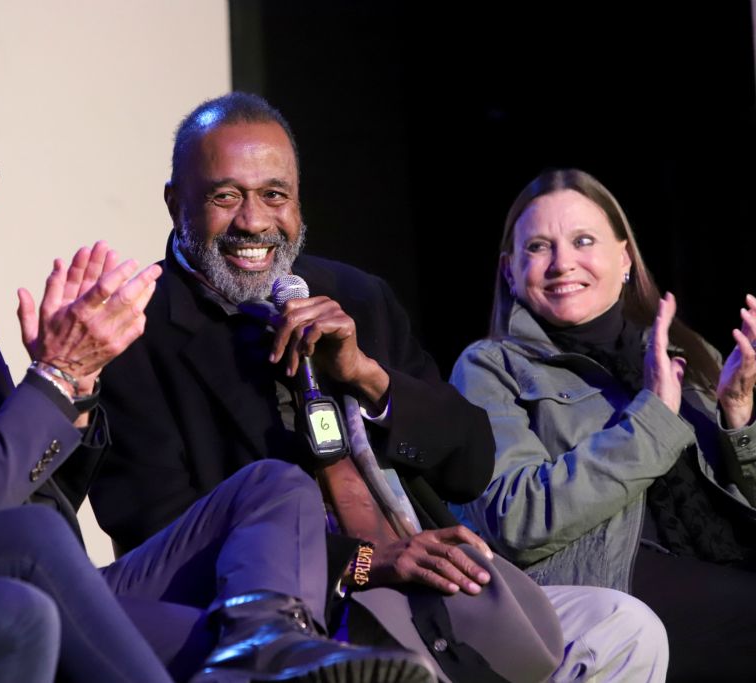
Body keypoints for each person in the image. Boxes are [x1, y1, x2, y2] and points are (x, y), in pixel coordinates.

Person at [0, 51, 431, 683]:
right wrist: (51, 378)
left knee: (272, 484)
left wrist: (76, 389)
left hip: (49, 574)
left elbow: (45, 496)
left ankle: (265, 643)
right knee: (41, 541)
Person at [89, 93, 670, 682]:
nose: (255, 221)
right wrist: (369, 562)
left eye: (274, 194)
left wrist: (368, 376)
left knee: (624, 629)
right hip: (301, 612)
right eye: (225, 195)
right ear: (174, 202)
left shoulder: (357, 295)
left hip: (437, 585)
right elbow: (162, 536)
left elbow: (469, 464)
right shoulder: (133, 333)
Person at [449, 167, 756, 682]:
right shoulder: (489, 367)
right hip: (605, 584)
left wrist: (739, 419)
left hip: (719, 565)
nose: (562, 263)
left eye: (583, 240)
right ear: (509, 270)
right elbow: (516, 520)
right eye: (539, 247)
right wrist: (654, 418)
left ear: (625, 258)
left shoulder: (689, 353)